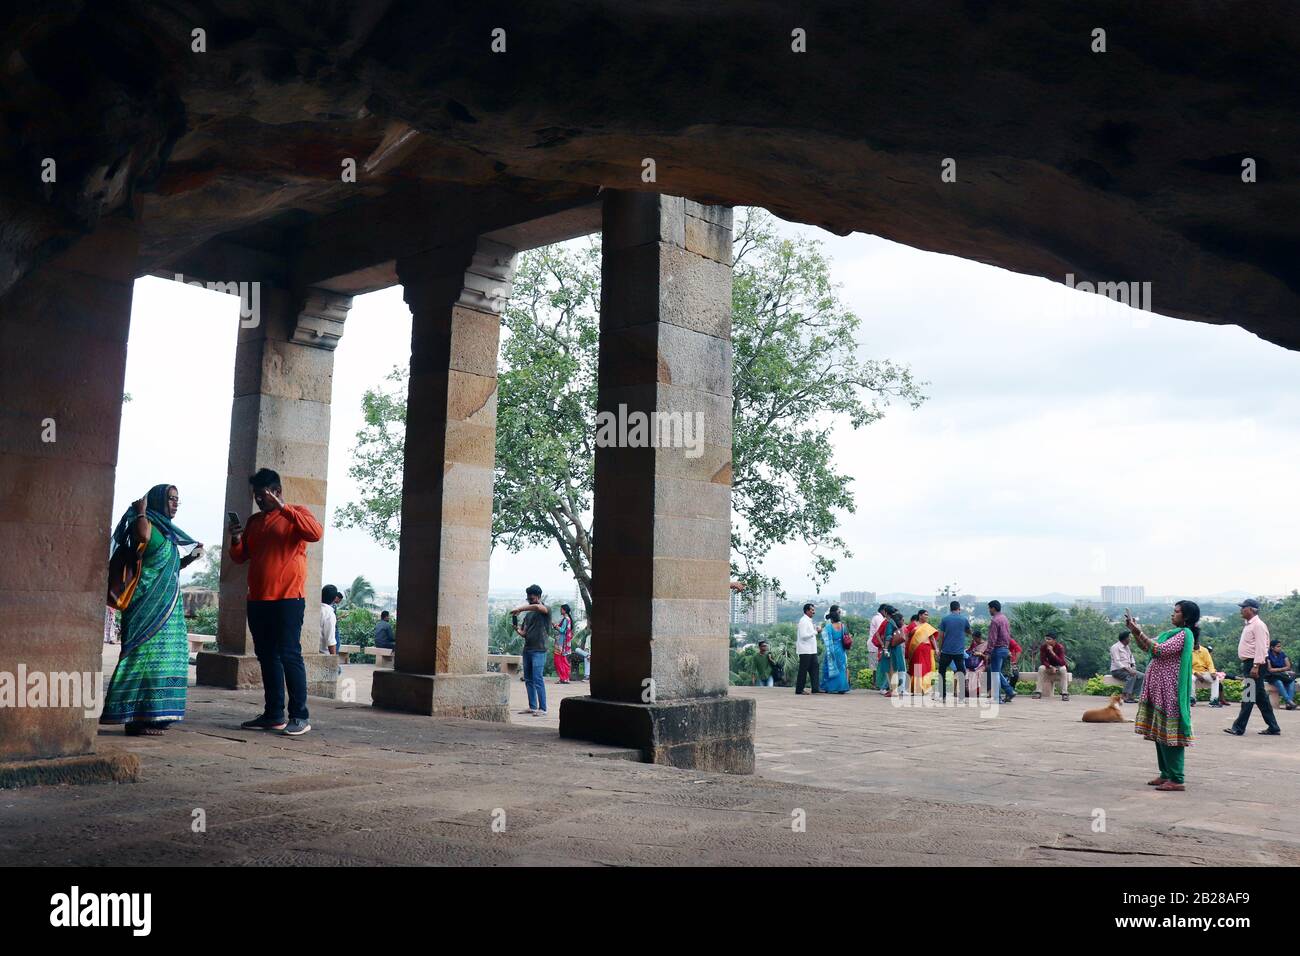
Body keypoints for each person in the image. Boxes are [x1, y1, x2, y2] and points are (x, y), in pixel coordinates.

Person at [101, 484, 204, 735]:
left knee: (167, 659)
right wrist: (141, 512)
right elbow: (142, 538)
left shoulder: (168, 534)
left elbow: (167, 568)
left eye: (178, 500)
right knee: (141, 658)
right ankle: (134, 717)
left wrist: (189, 559)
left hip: (168, 609)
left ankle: (157, 713)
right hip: (145, 606)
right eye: (171, 499)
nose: (175, 504)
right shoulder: (147, 526)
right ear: (157, 500)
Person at [230, 468, 324, 737]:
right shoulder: (255, 522)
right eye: (256, 496)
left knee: (289, 654)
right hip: (258, 599)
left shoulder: (297, 513)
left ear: (277, 492)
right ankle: (273, 715)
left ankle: (300, 716)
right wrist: (235, 538)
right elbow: (240, 556)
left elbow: (315, 533)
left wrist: (285, 509)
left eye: (264, 495)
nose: (259, 501)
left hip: (288, 599)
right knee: (267, 656)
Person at [1126, 600, 1197, 791]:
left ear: (1186, 616)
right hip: (1159, 691)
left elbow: (1158, 649)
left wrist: (1139, 631)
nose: (1172, 615)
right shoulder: (1170, 634)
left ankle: (1177, 778)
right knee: (1160, 734)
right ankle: (1165, 773)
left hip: (1170, 692)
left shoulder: (1184, 634)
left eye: (1176, 612)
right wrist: (1134, 630)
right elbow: (1147, 647)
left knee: (1171, 735)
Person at [1226, 598, 1281, 736]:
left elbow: (1262, 647)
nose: (1241, 610)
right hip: (1251, 663)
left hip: (1255, 664)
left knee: (1248, 695)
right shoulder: (1249, 624)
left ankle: (1238, 727)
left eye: (1243, 607)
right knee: (1260, 697)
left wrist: (1256, 666)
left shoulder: (1258, 625)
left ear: (1251, 609)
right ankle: (1273, 727)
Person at [512, 585, 551, 716]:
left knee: (537, 678)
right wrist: (517, 629)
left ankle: (543, 708)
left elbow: (537, 607)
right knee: (528, 679)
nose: (530, 601)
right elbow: (524, 633)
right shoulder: (528, 616)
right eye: (528, 599)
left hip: (539, 650)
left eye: (532, 598)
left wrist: (520, 609)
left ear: (539, 597)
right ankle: (533, 706)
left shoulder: (545, 609)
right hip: (528, 649)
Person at [936, 601, 968, 701]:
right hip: (959, 652)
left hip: (946, 651)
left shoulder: (945, 619)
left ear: (950, 609)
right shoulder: (964, 619)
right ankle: (962, 696)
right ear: (959, 609)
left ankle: (943, 696)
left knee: (942, 672)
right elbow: (968, 631)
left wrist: (939, 650)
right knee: (962, 672)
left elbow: (941, 636)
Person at [985, 600, 1016, 703]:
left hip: (997, 649)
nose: (989, 610)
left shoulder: (995, 620)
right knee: (997, 672)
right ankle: (1009, 691)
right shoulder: (1004, 618)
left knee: (995, 674)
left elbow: (992, 638)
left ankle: (997, 698)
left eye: (989, 608)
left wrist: (988, 652)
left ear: (993, 608)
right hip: (1005, 648)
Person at [820, 606, 852, 694]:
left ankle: (828, 687)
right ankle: (842, 687)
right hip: (841, 649)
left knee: (829, 667)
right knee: (841, 668)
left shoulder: (829, 627)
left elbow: (824, 639)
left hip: (832, 649)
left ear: (831, 619)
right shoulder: (843, 626)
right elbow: (846, 636)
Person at [906, 609, 938, 695]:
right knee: (917, 667)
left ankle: (925, 688)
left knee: (926, 667)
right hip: (916, 650)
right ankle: (917, 689)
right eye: (925, 615)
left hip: (927, 649)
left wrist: (936, 649)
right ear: (920, 615)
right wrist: (912, 632)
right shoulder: (912, 625)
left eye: (927, 615)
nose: (927, 616)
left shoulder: (927, 626)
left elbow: (932, 638)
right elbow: (906, 636)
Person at [1109, 632, 1145, 703]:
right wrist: (1129, 671)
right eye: (1129, 637)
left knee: (1142, 676)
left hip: (1128, 669)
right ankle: (1125, 696)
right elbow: (1117, 662)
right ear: (1125, 639)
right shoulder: (1115, 647)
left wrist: (1133, 667)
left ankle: (1132, 695)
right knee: (1131, 675)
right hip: (1117, 670)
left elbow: (1131, 658)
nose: (1130, 639)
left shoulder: (1127, 647)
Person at [1035, 632, 1070, 700]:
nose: (1046, 641)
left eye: (1049, 639)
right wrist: (1050, 667)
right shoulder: (1043, 647)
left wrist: (1052, 652)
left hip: (1059, 666)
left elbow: (1062, 662)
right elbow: (1043, 660)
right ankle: (1038, 692)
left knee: (1063, 669)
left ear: (1054, 640)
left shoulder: (1060, 647)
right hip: (1049, 666)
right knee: (1041, 668)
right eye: (1046, 639)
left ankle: (1064, 693)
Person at [1263, 639, 1297, 711]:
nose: (1280, 648)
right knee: (1279, 682)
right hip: (1272, 676)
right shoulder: (1268, 655)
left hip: (1282, 675)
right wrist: (1283, 669)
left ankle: (1289, 704)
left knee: (1291, 682)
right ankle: (1289, 701)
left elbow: (1288, 666)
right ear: (1272, 648)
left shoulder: (1282, 654)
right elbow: (1270, 669)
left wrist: (1278, 670)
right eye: (1278, 646)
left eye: (1280, 646)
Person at [1190, 635, 1223, 707]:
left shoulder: (1204, 650)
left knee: (1216, 679)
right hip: (1193, 672)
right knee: (1191, 679)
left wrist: (1212, 672)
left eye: (1195, 642)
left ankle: (1214, 700)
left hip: (1204, 671)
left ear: (1198, 642)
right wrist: (1196, 674)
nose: (1194, 644)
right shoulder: (1188, 651)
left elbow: (1210, 663)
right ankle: (1192, 699)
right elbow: (1187, 666)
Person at [795, 602, 820, 695]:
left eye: (814, 610)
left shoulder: (809, 620)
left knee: (815, 668)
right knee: (803, 670)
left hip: (812, 650)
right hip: (805, 650)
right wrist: (815, 632)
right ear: (807, 611)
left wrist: (815, 631)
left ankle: (815, 688)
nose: (814, 612)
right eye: (812, 610)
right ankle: (799, 689)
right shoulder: (803, 621)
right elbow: (803, 636)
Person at [320, 585, 340, 673]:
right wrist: (333, 661)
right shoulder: (329, 614)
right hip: (323, 653)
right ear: (334, 598)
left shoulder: (315, 609)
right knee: (339, 671)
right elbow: (330, 640)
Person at [553, 604, 575, 684]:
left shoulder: (566, 619)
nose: (560, 610)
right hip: (563, 643)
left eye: (561, 609)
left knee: (558, 660)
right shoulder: (568, 619)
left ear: (564, 610)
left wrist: (556, 626)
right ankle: (565, 678)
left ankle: (563, 678)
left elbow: (562, 630)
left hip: (561, 643)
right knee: (563, 660)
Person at [965, 626, 988, 698]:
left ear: (979, 637)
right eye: (973, 639)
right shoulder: (974, 643)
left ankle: (976, 691)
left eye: (975, 639)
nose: (974, 640)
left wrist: (981, 654)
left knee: (977, 673)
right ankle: (968, 691)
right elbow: (969, 650)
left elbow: (988, 657)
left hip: (982, 664)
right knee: (967, 671)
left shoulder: (986, 644)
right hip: (972, 663)